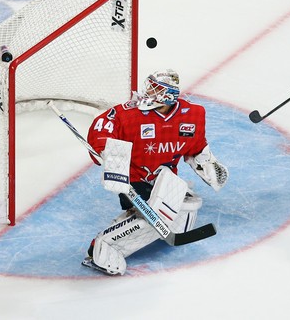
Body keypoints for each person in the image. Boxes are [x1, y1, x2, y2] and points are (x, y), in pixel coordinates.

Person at [82, 68, 229, 275]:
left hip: (164, 178)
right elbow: (103, 124)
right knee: (158, 216)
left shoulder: (192, 115)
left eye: (155, 89)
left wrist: (206, 163)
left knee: (183, 218)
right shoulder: (129, 114)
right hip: (134, 179)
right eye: (149, 87)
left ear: (168, 96)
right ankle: (103, 246)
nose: (148, 93)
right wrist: (106, 149)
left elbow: (195, 147)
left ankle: (132, 221)